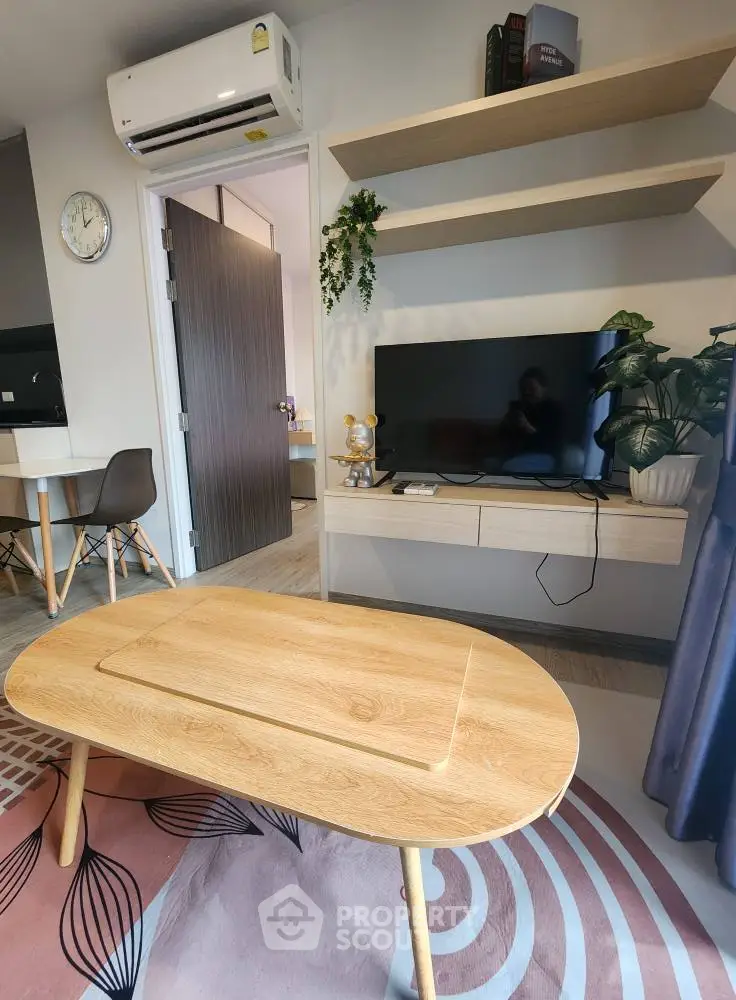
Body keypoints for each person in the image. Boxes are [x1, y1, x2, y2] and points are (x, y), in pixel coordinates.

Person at [500, 367, 564, 472]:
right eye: (523, 389)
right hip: (517, 455)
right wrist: (507, 424)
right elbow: (502, 436)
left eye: (531, 388)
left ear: (544, 388)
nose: (527, 392)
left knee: (508, 467)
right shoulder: (519, 407)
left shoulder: (554, 409)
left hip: (545, 456)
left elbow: (551, 444)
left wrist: (527, 427)